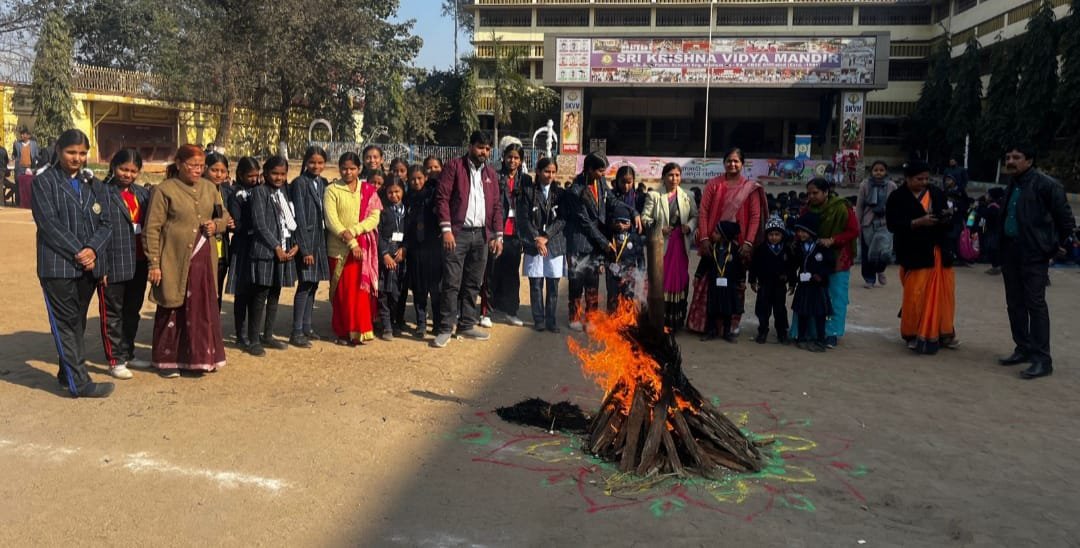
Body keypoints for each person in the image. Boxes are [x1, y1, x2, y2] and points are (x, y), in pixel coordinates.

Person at [31, 129, 115, 397]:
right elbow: (49, 224)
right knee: (66, 323)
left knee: (77, 322)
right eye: (71, 152)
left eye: (82, 153)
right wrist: (80, 251)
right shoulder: (44, 183)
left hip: (87, 267)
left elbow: (107, 222)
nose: (77, 158)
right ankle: (79, 383)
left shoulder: (93, 184)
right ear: (58, 151)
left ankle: (66, 374)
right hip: (58, 266)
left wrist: (93, 249)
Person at [144, 144, 228, 377]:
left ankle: (202, 358)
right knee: (173, 306)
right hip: (174, 259)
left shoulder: (211, 189)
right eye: (192, 165)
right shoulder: (164, 190)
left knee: (201, 309)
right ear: (179, 164)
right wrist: (154, 263)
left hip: (204, 259)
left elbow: (224, 217)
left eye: (201, 166)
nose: (197, 170)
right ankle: (168, 361)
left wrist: (216, 225)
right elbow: (152, 228)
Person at [994, 144, 1075, 379]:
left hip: (1034, 253)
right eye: (1008, 156)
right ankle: (1023, 348)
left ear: (1029, 161)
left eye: (1016, 157)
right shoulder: (1013, 183)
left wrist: (1053, 246)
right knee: (1014, 303)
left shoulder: (1047, 185)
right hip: (1011, 251)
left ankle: (1042, 359)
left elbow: (1065, 220)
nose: (1010, 161)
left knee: (1035, 304)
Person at [433, 131, 503, 348]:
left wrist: (497, 235)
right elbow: (442, 198)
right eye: (481, 147)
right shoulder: (454, 167)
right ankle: (445, 327)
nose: (484, 152)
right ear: (471, 145)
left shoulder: (490, 173)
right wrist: (446, 230)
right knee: (452, 282)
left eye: (488, 149)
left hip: (481, 236)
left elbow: (496, 206)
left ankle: (466, 324)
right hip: (457, 234)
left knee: (474, 282)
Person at [689, 147, 768, 334]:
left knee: (736, 285)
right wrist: (706, 238)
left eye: (736, 161)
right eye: (729, 161)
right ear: (724, 163)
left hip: (739, 244)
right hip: (714, 241)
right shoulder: (713, 184)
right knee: (708, 283)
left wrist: (748, 243)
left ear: (742, 164)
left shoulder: (750, 188)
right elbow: (704, 212)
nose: (732, 164)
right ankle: (704, 324)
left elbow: (755, 216)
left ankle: (731, 324)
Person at [885, 160, 959, 355]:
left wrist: (946, 217)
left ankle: (943, 332)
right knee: (915, 295)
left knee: (944, 295)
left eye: (927, 178)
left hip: (939, 251)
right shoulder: (897, 197)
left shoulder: (936, 193)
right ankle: (913, 333)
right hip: (913, 252)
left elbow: (948, 223)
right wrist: (918, 222)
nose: (924, 182)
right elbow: (893, 225)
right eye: (919, 178)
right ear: (907, 179)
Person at [97, 149, 151, 379]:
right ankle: (115, 359)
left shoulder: (142, 194)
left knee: (132, 310)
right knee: (113, 313)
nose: (128, 174)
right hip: (114, 263)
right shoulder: (101, 192)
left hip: (139, 262)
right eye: (123, 169)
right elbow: (96, 232)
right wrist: (102, 267)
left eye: (133, 171)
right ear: (113, 166)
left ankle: (128, 352)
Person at [241, 156, 298, 355]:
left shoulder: (283, 192)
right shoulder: (259, 192)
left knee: (275, 293)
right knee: (260, 295)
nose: (279, 177)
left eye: (282, 174)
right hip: (265, 252)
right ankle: (254, 339)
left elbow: (290, 220)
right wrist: (276, 247)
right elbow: (260, 224)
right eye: (274, 173)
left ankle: (268, 334)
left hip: (283, 250)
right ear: (265, 173)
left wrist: (295, 245)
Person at [793, 177, 859, 348]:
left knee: (835, 296)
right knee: (809, 294)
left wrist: (833, 240)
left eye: (815, 193)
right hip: (812, 259)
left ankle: (831, 333)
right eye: (809, 193)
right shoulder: (806, 210)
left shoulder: (841, 207)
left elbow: (853, 231)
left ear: (826, 192)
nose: (811, 196)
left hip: (837, 258)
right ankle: (807, 332)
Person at [325, 152, 382, 346]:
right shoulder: (332, 189)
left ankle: (361, 330)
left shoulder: (367, 190)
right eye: (344, 168)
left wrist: (355, 232)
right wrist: (351, 242)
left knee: (360, 293)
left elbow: (375, 217)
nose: (348, 172)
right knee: (343, 293)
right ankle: (343, 332)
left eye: (352, 168)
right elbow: (332, 221)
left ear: (359, 169)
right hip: (339, 249)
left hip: (363, 249)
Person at [641, 162, 698, 329]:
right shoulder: (654, 196)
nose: (674, 179)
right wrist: (660, 228)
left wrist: (689, 226)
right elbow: (645, 218)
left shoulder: (688, 195)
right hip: (662, 245)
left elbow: (696, 216)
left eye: (677, 175)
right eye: (671, 175)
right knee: (661, 281)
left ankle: (676, 321)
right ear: (664, 177)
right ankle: (659, 319)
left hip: (681, 245)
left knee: (679, 280)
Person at [481, 142, 532, 327]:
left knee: (511, 275)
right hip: (497, 232)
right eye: (510, 156)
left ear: (521, 160)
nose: (513, 160)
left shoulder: (525, 180)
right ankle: (485, 311)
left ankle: (511, 311)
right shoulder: (495, 175)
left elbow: (527, 208)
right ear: (504, 157)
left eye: (516, 158)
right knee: (491, 273)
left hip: (515, 234)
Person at [288, 146, 330, 347]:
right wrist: (304, 249)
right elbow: (300, 218)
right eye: (312, 162)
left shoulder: (323, 183)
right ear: (306, 162)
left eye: (320, 162)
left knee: (314, 284)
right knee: (305, 285)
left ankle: (307, 325)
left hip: (320, 239)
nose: (316, 166)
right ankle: (296, 331)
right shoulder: (299, 184)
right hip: (308, 241)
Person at [517, 157, 565, 332]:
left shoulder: (560, 193)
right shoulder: (528, 192)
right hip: (533, 243)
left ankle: (551, 320)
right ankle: (538, 319)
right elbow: (523, 219)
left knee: (553, 285)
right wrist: (537, 238)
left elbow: (562, 219)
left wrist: (547, 236)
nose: (550, 175)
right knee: (536, 283)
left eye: (553, 172)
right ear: (538, 171)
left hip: (554, 243)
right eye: (546, 171)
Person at [564, 152, 612, 331]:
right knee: (576, 282)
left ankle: (591, 318)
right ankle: (574, 317)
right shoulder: (576, 190)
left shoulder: (600, 182)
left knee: (593, 283)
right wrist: (604, 242)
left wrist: (633, 212)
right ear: (590, 169)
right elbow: (585, 223)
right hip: (579, 242)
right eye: (600, 171)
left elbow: (611, 199)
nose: (603, 174)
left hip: (595, 244)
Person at [226, 157, 261, 347]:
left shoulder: (259, 191)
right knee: (242, 292)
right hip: (242, 246)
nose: (254, 179)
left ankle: (252, 331)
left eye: (257, 175)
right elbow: (237, 223)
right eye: (250, 176)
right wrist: (253, 227)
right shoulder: (237, 195)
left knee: (255, 290)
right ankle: (240, 334)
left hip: (257, 246)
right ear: (240, 175)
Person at [405, 164, 443, 338]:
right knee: (419, 289)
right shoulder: (407, 198)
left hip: (434, 249)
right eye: (412, 179)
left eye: (420, 178)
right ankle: (421, 323)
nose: (416, 181)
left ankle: (436, 323)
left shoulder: (433, 196)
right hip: (415, 249)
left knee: (435, 290)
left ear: (426, 178)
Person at [791, 213, 833, 353]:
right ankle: (801, 338)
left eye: (804, 231)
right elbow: (793, 265)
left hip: (818, 287)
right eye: (799, 231)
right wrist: (793, 280)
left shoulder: (822, 248)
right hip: (803, 286)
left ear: (812, 231)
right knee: (802, 312)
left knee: (819, 314)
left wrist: (821, 275)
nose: (800, 234)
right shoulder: (798, 247)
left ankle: (821, 339)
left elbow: (830, 264)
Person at [749, 216, 795, 344]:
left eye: (777, 234)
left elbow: (791, 268)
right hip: (764, 285)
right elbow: (754, 266)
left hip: (780, 285)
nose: (774, 237)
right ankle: (762, 331)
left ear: (782, 235)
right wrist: (752, 280)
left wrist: (792, 283)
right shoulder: (761, 249)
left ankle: (782, 333)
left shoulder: (787, 250)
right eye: (771, 234)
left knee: (780, 310)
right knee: (763, 309)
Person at [855, 161, 897, 288]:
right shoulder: (865, 185)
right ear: (871, 171)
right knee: (868, 252)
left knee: (884, 251)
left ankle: (880, 270)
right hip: (868, 222)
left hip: (885, 222)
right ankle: (869, 278)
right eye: (876, 170)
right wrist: (858, 223)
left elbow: (896, 205)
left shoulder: (891, 186)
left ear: (886, 171)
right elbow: (859, 205)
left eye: (881, 170)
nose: (878, 172)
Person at [701, 221, 744, 343]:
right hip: (714, 283)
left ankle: (726, 332)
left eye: (716, 233)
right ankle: (711, 331)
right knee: (711, 308)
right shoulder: (711, 248)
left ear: (724, 236)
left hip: (728, 285)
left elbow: (739, 267)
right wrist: (698, 275)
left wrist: (741, 280)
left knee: (728, 309)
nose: (713, 235)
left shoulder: (734, 249)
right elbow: (704, 263)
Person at [377, 177, 408, 340]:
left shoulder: (406, 210)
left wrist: (404, 249)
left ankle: (396, 321)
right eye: (390, 192)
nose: (394, 195)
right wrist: (384, 254)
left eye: (397, 191)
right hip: (386, 255)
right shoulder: (382, 210)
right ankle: (386, 326)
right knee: (384, 291)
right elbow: (378, 234)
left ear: (403, 191)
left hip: (400, 255)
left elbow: (409, 234)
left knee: (397, 291)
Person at [204, 152, 235, 308]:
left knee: (217, 295)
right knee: (203, 295)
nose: (218, 174)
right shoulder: (198, 191)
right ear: (205, 169)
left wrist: (231, 223)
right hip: (203, 250)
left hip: (222, 250)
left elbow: (231, 215)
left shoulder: (227, 193)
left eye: (223, 171)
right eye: (214, 170)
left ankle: (214, 330)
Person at [604, 200, 645, 311]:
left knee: (628, 297)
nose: (620, 225)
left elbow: (641, 258)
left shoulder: (635, 238)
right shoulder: (609, 237)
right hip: (612, 273)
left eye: (624, 222)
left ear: (630, 223)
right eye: (617, 222)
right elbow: (604, 254)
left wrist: (641, 273)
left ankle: (627, 321)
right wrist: (602, 264)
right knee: (612, 297)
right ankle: (612, 321)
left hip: (629, 273)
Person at [13, 127, 41, 208]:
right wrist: (14, 160)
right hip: (20, 168)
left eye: (23, 134)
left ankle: (29, 202)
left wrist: (37, 164)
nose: (22, 136)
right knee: (18, 185)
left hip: (30, 167)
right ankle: (18, 202)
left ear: (28, 136)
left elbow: (36, 155)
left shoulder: (34, 144)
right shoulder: (17, 144)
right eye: (21, 134)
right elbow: (14, 154)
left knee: (29, 185)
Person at [980, 187, 1004, 275]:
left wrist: (980, 207)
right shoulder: (995, 205)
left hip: (994, 232)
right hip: (993, 231)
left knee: (992, 249)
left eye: (987, 194)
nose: (985, 196)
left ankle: (996, 267)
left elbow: (986, 214)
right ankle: (996, 266)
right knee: (992, 249)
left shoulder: (993, 207)